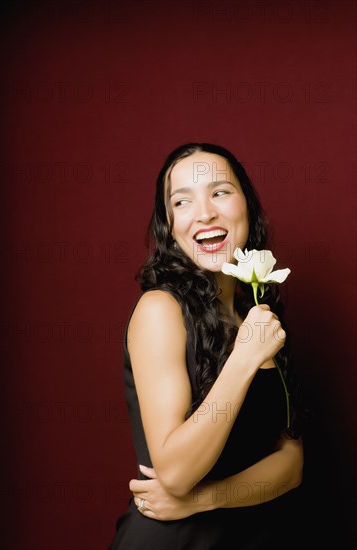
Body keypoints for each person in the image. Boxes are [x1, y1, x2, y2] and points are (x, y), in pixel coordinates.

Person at [106, 143, 305, 550]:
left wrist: (206, 500)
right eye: (182, 201)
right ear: (170, 224)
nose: (204, 213)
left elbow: (292, 464)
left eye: (220, 192)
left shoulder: (258, 314)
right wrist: (245, 358)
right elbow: (176, 473)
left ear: (246, 204)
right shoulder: (159, 310)